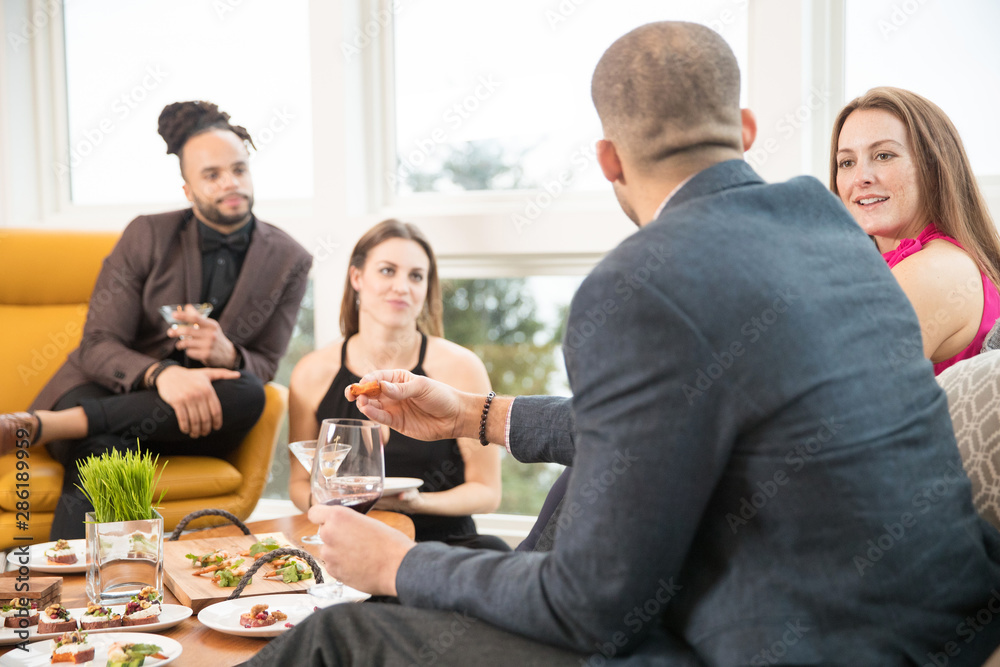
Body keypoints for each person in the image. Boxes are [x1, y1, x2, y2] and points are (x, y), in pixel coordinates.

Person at [244, 22, 1000, 666]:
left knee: (336, 635)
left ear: (608, 160)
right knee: (496, 556)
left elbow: (592, 606)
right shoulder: (834, 231)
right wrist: (475, 414)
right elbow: (667, 422)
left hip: (803, 642)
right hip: (946, 617)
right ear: (744, 131)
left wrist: (400, 563)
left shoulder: (637, 283)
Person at [0, 101, 313, 539]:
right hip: (105, 390)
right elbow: (97, 345)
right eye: (212, 175)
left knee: (248, 392)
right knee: (105, 453)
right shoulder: (147, 234)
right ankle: (80, 579)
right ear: (188, 190)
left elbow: (264, 363)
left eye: (239, 169)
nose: (231, 182)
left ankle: (47, 426)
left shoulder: (290, 259)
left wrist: (227, 353)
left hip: (194, 421)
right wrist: (161, 374)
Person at [287, 219, 507, 550]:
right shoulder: (311, 372)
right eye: (387, 271)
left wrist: (416, 503)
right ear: (357, 277)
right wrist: (329, 503)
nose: (402, 286)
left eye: (416, 276)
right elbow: (299, 482)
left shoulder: (461, 367)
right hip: (350, 544)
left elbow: (487, 492)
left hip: (443, 546)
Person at [831, 87, 1000, 375]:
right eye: (847, 162)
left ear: (933, 168)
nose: (860, 178)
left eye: (883, 155)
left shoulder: (933, 271)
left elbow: (840, 394)